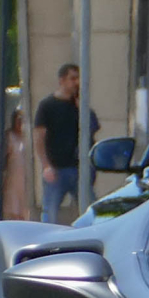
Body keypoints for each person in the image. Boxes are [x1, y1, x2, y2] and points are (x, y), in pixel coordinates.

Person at [34, 64, 94, 225]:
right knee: (50, 213)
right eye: (72, 78)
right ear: (62, 80)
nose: (76, 82)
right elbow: (39, 138)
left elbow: (92, 128)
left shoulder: (78, 106)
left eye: (78, 79)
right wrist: (46, 166)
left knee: (91, 211)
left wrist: (81, 106)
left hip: (78, 168)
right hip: (56, 169)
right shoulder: (47, 105)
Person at [0, 109, 34, 221]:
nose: (20, 123)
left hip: (26, 176)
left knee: (24, 207)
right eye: (18, 120)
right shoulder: (9, 136)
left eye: (23, 120)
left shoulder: (28, 137)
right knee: (13, 206)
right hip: (13, 175)